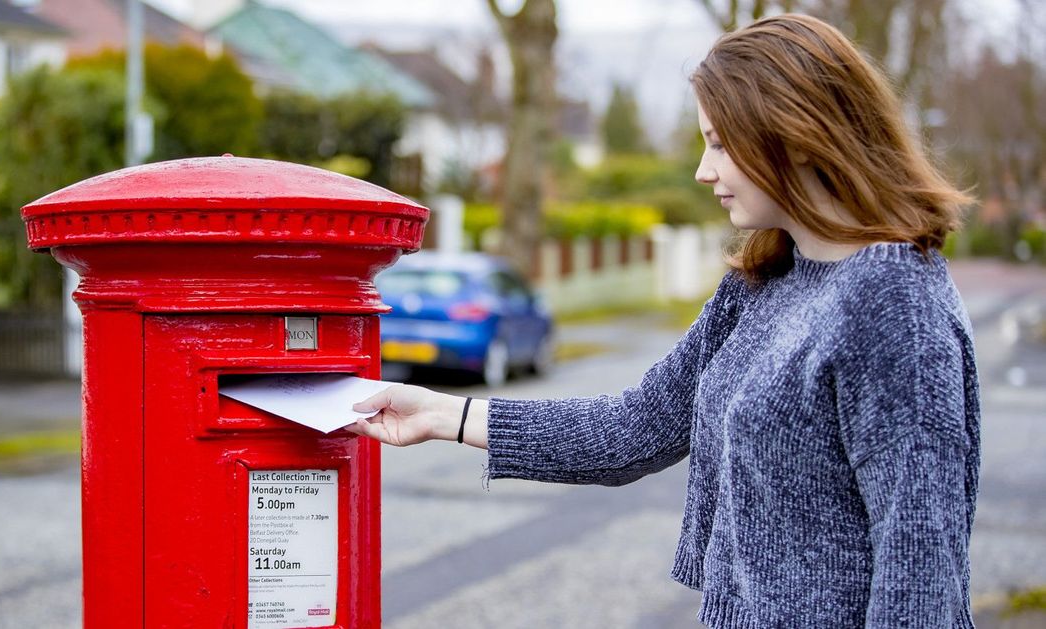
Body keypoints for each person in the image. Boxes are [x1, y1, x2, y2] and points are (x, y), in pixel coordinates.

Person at [348, 13, 979, 629]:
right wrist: (443, 415)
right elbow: (632, 429)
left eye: (719, 143)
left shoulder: (894, 300)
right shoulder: (760, 286)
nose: (704, 171)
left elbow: (921, 572)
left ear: (794, 134)